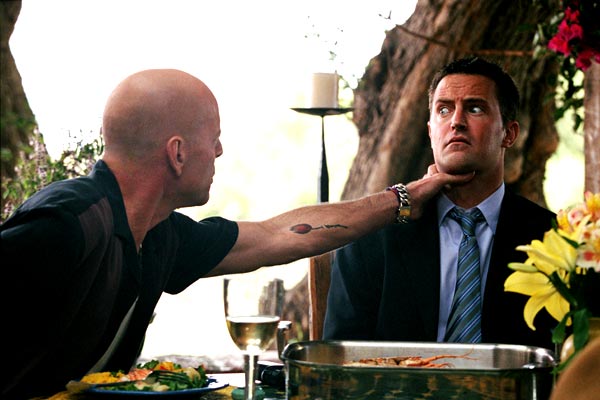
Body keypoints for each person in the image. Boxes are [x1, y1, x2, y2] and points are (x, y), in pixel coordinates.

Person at [0, 68, 472, 399]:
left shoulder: (162, 235)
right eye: (214, 138)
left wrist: (406, 196)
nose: (221, 151)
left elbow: (279, 236)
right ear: (177, 153)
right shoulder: (67, 224)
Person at [322, 57, 557, 349]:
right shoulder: (374, 233)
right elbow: (340, 357)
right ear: (431, 131)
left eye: (475, 108)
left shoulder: (553, 238)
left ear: (508, 134)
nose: (456, 121)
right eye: (444, 110)